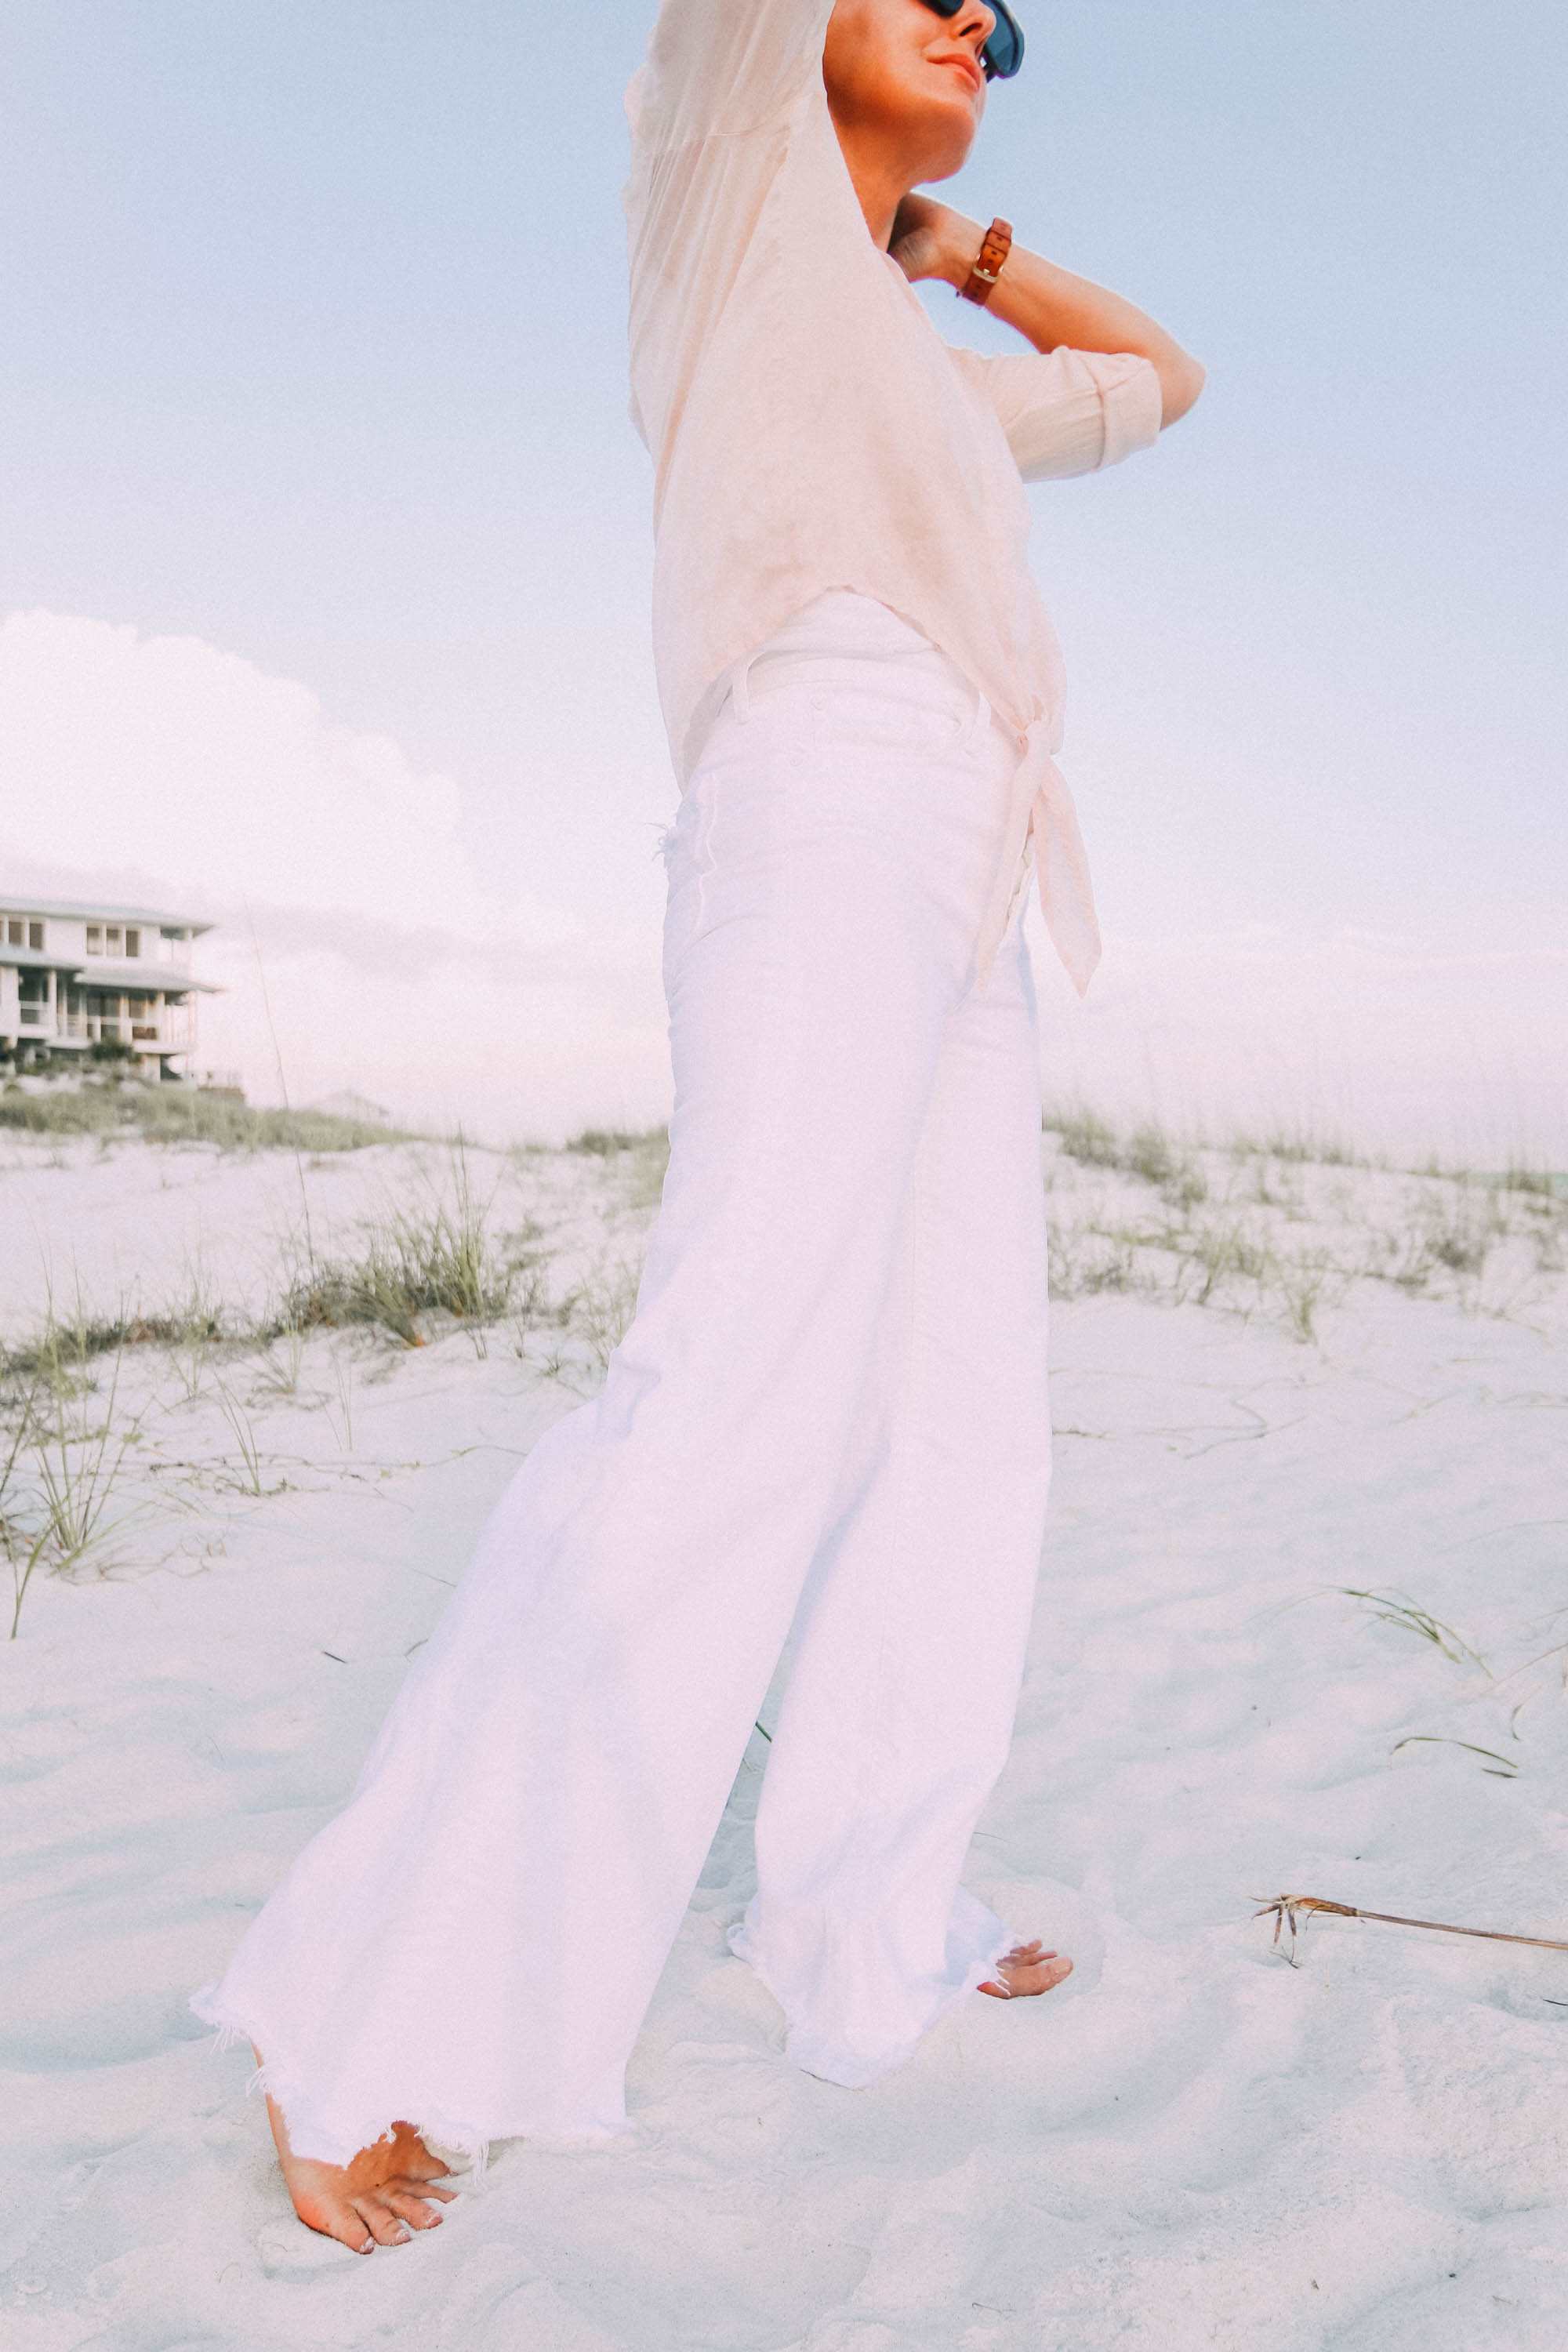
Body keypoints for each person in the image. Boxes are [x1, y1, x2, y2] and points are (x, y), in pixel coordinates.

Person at [193, 0, 1203, 2252]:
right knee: (732, 1390)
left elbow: (1156, 380)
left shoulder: (916, 373)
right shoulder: (723, 202)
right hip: (826, 789)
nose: (972, 15)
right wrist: (863, 194)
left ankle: (860, 1916)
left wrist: (962, 244)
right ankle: (361, 2015)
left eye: (1002, 18)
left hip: (969, 847)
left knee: (958, 1417)